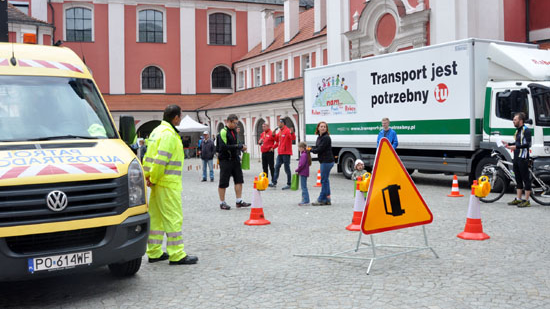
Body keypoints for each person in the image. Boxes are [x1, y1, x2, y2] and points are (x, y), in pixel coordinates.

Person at [142, 105, 198, 265]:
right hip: (167, 183)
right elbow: (161, 160)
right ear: (175, 118)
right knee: (173, 217)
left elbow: (148, 157)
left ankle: (154, 252)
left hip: (157, 184)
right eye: (180, 116)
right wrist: (154, 177)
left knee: (156, 218)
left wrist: (148, 176)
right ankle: (177, 254)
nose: (180, 119)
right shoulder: (169, 135)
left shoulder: (156, 131)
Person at [217, 114, 252, 210]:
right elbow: (223, 147)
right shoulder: (223, 132)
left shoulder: (234, 131)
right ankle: (222, 202)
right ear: (229, 121)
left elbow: (236, 143)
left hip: (235, 159)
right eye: (235, 123)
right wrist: (238, 146)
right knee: (223, 182)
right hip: (225, 160)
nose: (236, 125)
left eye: (237, 123)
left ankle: (239, 201)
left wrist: (241, 146)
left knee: (239, 180)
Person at [506, 112, 532, 208]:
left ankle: (527, 200)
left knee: (526, 179)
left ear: (520, 121)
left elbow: (527, 144)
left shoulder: (526, 130)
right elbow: (516, 142)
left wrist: (515, 147)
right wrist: (508, 144)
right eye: (513, 119)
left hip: (523, 157)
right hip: (516, 157)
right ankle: (518, 199)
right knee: (518, 179)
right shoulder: (517, 131)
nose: (513, 121)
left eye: (515, 120)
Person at [310, 121, 334, 206]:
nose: (323, 128)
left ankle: (320, 199)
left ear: (326, 129)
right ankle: (327, 199)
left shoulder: (326, 138)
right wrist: (311, 148)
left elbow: (319, 149)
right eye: (321, 126)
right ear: (318, 128)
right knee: (325, 180)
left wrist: (310, 150)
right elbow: (317, 147)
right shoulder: (319, 137)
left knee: (323, 180)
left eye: (324, 127)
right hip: (324, 161)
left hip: (327, 161)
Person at [270, 119, 296, 189]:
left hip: (286, 153)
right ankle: (274, 182)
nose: (278, 124)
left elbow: (293, 138)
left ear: (282, 123)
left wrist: (292, 133)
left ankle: (289, 183)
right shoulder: (280, 131)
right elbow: (277, 140)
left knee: (286, 168)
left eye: (279, 122)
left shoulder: (287, 131)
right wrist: (273, 135)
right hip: (280, 153)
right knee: (277, 167)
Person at [295, 142, 311, 206]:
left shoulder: (303, 155)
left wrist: (297, 170)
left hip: (303, 172)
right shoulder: (305, 154)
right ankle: (304, 199)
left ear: (302, 148)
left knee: (303, 187)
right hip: (304, 172)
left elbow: (301, 165)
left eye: (299, 147)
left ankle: (306, 200)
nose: (298, 149)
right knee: (303, 186)